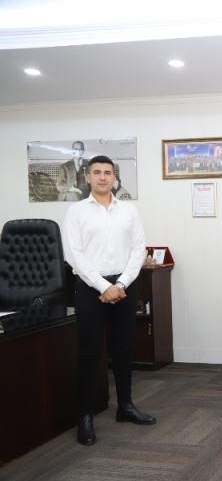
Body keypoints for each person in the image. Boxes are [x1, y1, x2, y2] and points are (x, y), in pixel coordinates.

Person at [62, 155, 155, 446]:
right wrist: (104, 286)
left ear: (114, 177)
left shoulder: (128, 210)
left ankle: (125, 406)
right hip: (90, 287)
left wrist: (121, 284)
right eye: (97, 172)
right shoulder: (76, 211)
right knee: (90, 352)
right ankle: (85, 415)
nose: (103, 177)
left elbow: (138, 250)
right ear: (87, 177)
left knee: (124, 349)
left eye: (108, 172)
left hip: (124, 286)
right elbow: (74, 255)